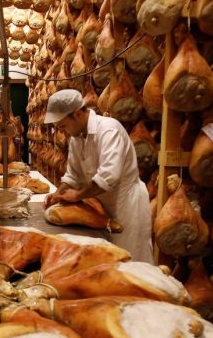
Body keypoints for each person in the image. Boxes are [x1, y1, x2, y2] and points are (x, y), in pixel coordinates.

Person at [43, 89, 154, 263]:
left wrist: (78, 195)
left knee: (130, 259)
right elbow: (73, 174)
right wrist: (60, 192)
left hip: (125, 203)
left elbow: (108, 177)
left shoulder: (109, 130)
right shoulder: (76, 138)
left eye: (63, 126)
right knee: (105, 261)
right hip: (99, 205)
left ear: (77, 114)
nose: (62, 131)